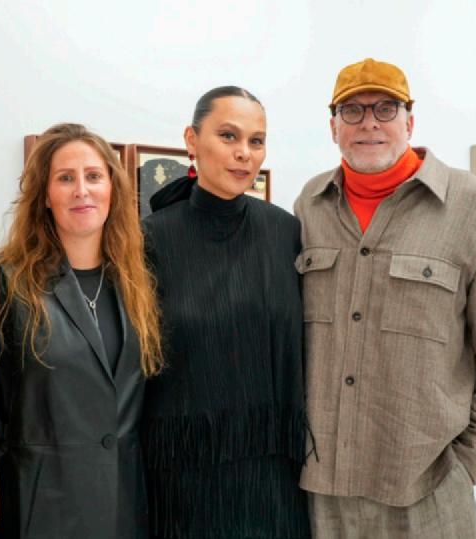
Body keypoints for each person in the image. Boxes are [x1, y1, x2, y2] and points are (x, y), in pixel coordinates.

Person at [294, 58, 476, 538]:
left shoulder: (470, 205)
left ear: (409, 122)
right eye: (352, 111)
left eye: (385, 108)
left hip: (428, 496)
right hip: (322, 497)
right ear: (334, 127)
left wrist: (461, 470)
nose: (369, 123)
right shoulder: (308, 206)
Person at [141, 87, 311, 538]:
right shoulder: (149, 239)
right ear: (191, 140)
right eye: (229, 136)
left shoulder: (286, 232)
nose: (244, 154)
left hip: (275, 478)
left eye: (257, 141)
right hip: (183, 482)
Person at [0, 123, 164, 538]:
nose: (82, 190)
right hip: (41, 511)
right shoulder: (7, 283)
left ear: (112, 189)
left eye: (94, 176)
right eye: (65, 178)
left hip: (124, 511)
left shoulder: (138, 282)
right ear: (44, 196)